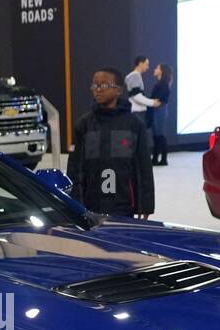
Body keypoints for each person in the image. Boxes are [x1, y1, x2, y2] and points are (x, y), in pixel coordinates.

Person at [67, 67, 155, 219]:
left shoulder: (134, 124)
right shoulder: (84, 124)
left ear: (118, 90)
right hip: (91, 205)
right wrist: (76, 203)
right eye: (95, 85)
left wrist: (145, 205)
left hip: (123, 205)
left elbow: (143, 168)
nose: (98, 89)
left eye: (104, 85)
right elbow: (76, 168)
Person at [147, 63, 172, 166]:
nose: (155, 69)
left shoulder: (163, 84)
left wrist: (153, 102)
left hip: (160, 110)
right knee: (156, 135)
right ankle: (156, 158)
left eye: (157, 68)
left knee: (160, 134)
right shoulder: (161, 83)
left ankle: (163, 158)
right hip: (157, 110)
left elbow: (159, 99)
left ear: (161, 71)